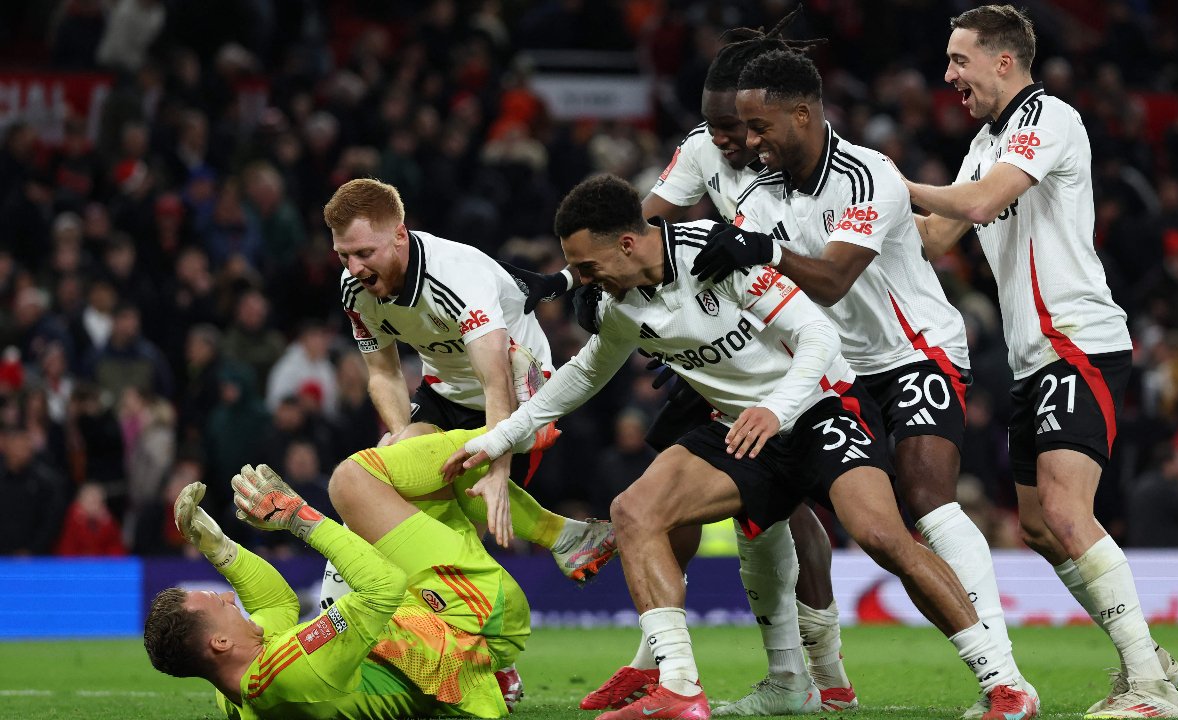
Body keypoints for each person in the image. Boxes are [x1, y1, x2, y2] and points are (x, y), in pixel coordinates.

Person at [447, 175, 1038, 720]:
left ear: (628, 243)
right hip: (737, 430)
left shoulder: (714, 254)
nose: (582, 278)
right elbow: (583, 375)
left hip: (815, 409)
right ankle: (678, 686)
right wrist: (496, 438)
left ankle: (1004, 682)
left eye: (587, 264)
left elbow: (817, 335)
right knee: (635, 511)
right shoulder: (618, 303)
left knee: (885, 537)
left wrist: (775, 409)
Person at [509, 12, 856, 713]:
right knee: (666, 492)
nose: (731, 142)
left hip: (789, 335)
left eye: (740, 129)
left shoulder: (800, 161)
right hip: (711, 340)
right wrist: (579, 279)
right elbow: (632, 223)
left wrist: (747, 257)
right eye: (721, 128)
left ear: (766, 118)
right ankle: (659, 663)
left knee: (793, 511)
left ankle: (821, 670)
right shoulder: (702, 150)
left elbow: (818, 266)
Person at [685, 41, 1024, 719]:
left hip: (914, 353)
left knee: (926, 503)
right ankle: (811, 680)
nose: (750, 142)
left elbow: (836, 278)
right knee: (772, 507)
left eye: (761, 127)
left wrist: (764, 249)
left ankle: (1004, 675)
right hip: (830, 369)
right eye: (744, 129)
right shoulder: (759, 194)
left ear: (803, 115)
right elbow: (748, 283)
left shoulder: (869, 175)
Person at [901, 5, 1178, 717]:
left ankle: (1150, 684)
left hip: (1076, 340)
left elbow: (984, 199)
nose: (948, 76)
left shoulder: (1047, 118)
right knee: (1034, 525)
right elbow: (938, 236)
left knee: (1063, 509)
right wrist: (857, 199)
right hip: (1033, 360)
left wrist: (892, 178)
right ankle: (1146, 659)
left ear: (1004, 60)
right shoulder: (984, 141)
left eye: (958, 60)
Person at [319, 178, 616, 609]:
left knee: (451, 529)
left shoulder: (455, 277)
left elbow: (495, 378)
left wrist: (498, 469)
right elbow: (383, 373)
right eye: (344, 255)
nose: (355, 267)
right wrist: (404, 443)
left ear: (400, 236)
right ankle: (567, 536)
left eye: (365, 253)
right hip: (445, 388)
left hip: (515, 391)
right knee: (410, 484)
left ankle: (551, 513)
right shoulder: (355, 289)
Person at [143, 424, 533, 718]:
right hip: (474, 624)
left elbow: (278, 603)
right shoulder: (289, 671)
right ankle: (528, 431)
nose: (229, 596)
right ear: (221, 644)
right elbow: (383, 587)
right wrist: (298, 516)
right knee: (354, 479)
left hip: (432, 628)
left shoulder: (238, 689)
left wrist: (220, 548)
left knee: (410, 440)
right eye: (218, 603)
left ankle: (516, 430)